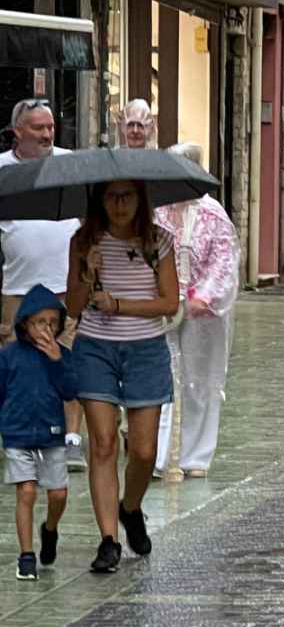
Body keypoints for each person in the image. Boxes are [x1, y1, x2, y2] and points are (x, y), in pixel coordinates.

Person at [65, 180, 179, 573]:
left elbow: (169, 303)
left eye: (127, 196)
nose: (119, 204)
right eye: (111, 196)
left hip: (146, 350)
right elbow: (74, 306)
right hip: (95, 348)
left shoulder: (158, 241)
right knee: (103, 443)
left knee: (144, 450)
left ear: (140, 199)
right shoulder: (83, 242)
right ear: (100, 200)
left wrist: (119, 304)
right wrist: (86, 272)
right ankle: (109, 540)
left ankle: (130, 507)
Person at [0, 100, 83, 467]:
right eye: (38, 128)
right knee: (17, 363)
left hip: (64, 285)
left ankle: (71, 437)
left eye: (50, 127)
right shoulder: (2, 169)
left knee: (67, 357)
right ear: (17, 131)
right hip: (17, 288)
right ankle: (21, 435)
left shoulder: (70, 164)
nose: (48, 134)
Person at [153, 143, 241, 479]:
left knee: (200, 380)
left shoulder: (212, 213)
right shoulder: (157, 211)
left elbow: (224, 261)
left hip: (202, 314)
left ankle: (196, 455)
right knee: (164, 377)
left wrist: (204, 296)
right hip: (164, 306)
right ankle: (161, 456)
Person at [3, 286, 77, 581]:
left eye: (52, 322)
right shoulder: (9, 356)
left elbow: (71, 391)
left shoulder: (63, 355)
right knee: (27, 491)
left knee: (58, 493)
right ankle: (26, 555)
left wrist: (58, 360)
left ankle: (50, 528)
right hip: (17, 434)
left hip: (51, 433)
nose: (46, 329)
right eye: (39, 322)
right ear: (25, 324)